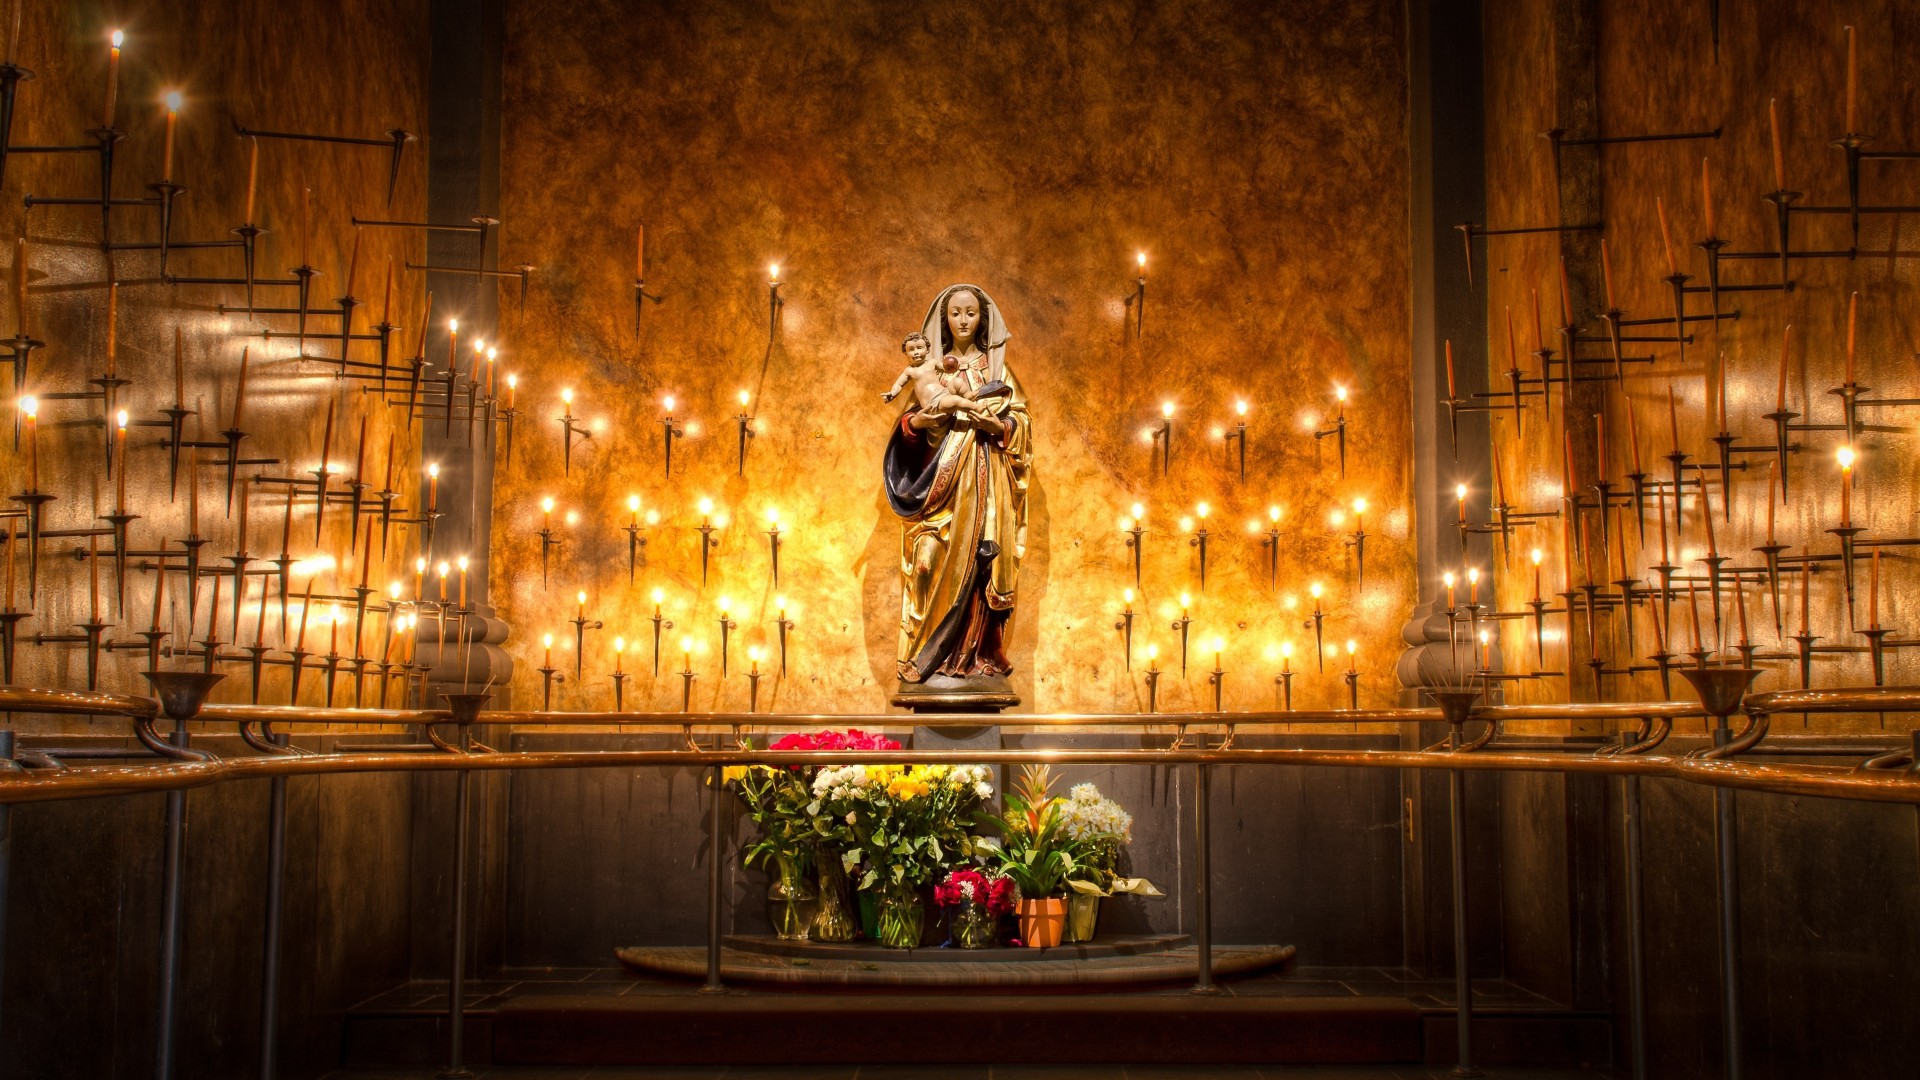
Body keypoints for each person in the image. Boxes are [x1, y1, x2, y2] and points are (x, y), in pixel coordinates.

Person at [882, 284, 1031, 684]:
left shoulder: (997, 371)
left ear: (983, 319)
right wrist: (919, 423)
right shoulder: (931, 367)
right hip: (941, 487)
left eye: (971, 313)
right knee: (928, 564)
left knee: (983, 563)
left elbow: (1021, 423)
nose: (963, 321)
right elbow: (911, 423)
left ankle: (976, 657)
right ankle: (929, 658)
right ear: (943, 319)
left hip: (988, 486)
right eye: (955, 313)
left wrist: (998, 426)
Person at [881, 331, 991, 417]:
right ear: (905, 353)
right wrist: (892, 393)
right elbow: (899, 384)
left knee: (957, 382)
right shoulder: (909, 371)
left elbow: (945, 368)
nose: (916, 352)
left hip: (944, 393)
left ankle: (967, 395)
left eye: (919, 348)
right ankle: (977, 408)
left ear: (927, 350)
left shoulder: (932, 362)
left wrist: (952, 367)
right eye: (911, 349)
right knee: (956, 400)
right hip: (933, 404)